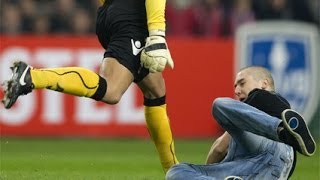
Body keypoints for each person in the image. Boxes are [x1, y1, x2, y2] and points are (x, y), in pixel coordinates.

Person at [1, 0, 178, 173]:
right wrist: (157, 35)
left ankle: (172, 169)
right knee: (111, 90)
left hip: (110, 11)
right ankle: (31, 76)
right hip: (133, 16)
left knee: (155, 90)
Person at [166, 66, 316, 180]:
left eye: (242, 83)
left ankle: (281, 131)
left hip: (272, 150)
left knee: (220, 104)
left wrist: (211, 171)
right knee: (176, 171)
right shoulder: (262, 109)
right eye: (235, 86)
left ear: (264, 83)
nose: (237, 90)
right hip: (260, 173)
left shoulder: (260, 96)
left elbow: (220, 147)